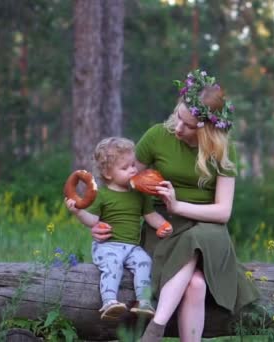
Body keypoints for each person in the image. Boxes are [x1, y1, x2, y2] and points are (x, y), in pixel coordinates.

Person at [90, 69, 259, 341]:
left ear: (208, 130)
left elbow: (223, 212)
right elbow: (124, 183)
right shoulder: (158, 136)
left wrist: (178, 205)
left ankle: (155, 329)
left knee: (197, 236)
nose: (178, 128)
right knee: (195, 284)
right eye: (179, 117)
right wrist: (97, 219)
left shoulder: (223, 151)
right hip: (165, 227)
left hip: (208, 230)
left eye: (189, 125)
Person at [65, 137, 173, 321]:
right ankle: (109, 301)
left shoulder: (139, 194)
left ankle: (143, 301)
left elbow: (150, 215)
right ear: (108, 174)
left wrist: (163, 224)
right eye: (125, 168)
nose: (133, 170)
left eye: (133, 165)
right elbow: (93, 221)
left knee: (144, 261)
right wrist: (78, 212)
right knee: (113, 265)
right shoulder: (102, 195)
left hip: (132, 247)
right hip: (108, 246)